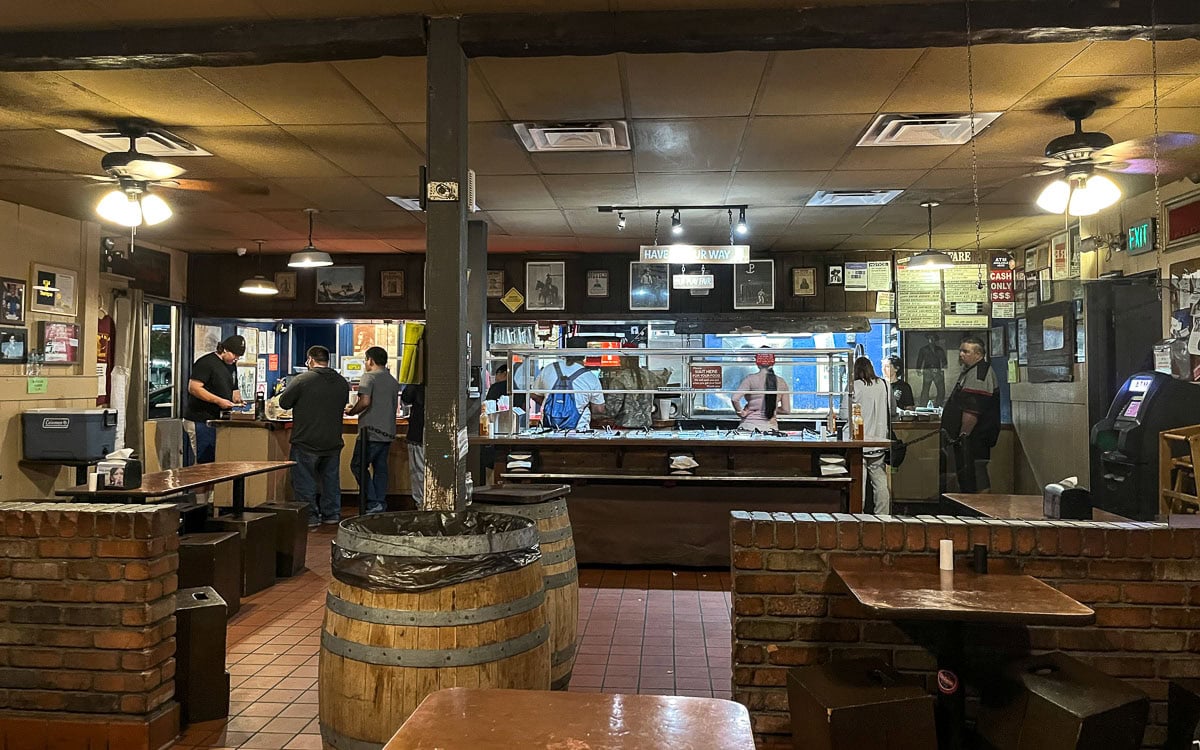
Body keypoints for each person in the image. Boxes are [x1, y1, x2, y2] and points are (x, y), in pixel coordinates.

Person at [279, 346, 351, 527]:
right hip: (333, 439)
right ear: (328, 360)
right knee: (330, 481)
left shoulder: (302, 380)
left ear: (310, 360)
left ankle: (310, 517)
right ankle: (332, 514)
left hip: (306, 439)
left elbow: (284, 402)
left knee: (305, 481)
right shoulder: (342, 382)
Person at [942, 336, 1001, 494]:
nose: (961, 354)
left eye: (966, 351)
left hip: (974, 438)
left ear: (978, 354)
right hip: (970, 439)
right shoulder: (971, 371)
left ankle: (980, 511)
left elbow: (971, 411)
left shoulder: (979, 375)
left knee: (975, 476)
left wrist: (963, 436)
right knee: (971, 475)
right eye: (961, 350)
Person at [346, 346, 400, 515]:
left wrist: (351, 411)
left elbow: (365, 402)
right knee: (381, 469)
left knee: (358, 466)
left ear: (370, 360)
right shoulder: (392, 380)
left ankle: (373, 501)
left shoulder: (368, 377)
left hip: (370, 432)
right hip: (388, 431)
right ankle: (380, 503)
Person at [183, 335, 245, 465]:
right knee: (204, 462)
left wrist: (237, 401)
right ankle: (201, 485)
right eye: (235, 354)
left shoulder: (231, 365)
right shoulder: (206, 363)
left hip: (220, 420)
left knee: (218, 460)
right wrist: (218, 401)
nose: (236, 358)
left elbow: (234, 389)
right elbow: (194, 388)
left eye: (239, 356)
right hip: (200, 419)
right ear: (225, 350)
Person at [530, 338, 605, 430]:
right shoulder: (590, 377)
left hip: (548, 429)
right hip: (579, 431)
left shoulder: (548, 369)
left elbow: (534, 394)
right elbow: (599, 409)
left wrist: (550, 405)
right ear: (584, 355)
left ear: (565, 352)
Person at [849, 357, 892, 514]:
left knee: (859, 482)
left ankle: (857, 515)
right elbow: (892, 411)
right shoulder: (885, 385)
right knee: (880, 483)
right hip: (880, 441)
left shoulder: (855, 386)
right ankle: (883, 517)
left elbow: (842, 414)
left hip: (858, 441)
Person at [602, 356, 670, 429]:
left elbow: (613, 409)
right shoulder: (649, 375)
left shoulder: (620, 379)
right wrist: (668, 371)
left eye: (620, 358)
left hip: (625, 428)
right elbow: (662, 382)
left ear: (625, 360)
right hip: (646, 426)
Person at [731, 350, 791, 431]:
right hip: (770, 429)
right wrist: (771, 408)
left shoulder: (750, 379)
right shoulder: (781, 382)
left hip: (748, 427)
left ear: (757, 363)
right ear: (773, 363)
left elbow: (734, 399)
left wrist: (741, 413)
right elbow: (786, 410)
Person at [401, 383, 426, 509]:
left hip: (418, 432)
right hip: (442, 432)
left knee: (418, 471)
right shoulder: (446, 379)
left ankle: (421, 504)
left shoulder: (417, 383)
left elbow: (406, 398)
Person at [915, 333, 947, 405]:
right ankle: (923, 404)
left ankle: (938, 404)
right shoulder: (923, 349)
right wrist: (918, 369)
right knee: (925, 389)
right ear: (927, 339)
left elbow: (944, 361)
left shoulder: (939, 350)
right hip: (927, 371)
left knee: (941, 390)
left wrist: (941, 368)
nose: (931, 339)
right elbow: (920, 360)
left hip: (937, 370)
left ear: (935, 339)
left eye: (933, 338)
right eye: (929, 338)